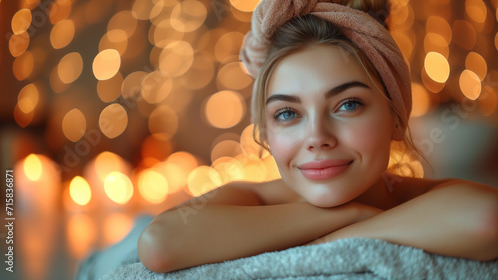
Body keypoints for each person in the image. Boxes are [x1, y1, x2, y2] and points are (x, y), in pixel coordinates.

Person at [137, 0, 498, 273]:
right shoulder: (250, 197)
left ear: (396, 118)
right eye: (288, 114)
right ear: (265, 132)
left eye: (348, 105)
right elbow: (159, 243)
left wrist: (337, 236)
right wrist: (349, 215)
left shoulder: (420, 197)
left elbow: (487, 219)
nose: (317, 138)